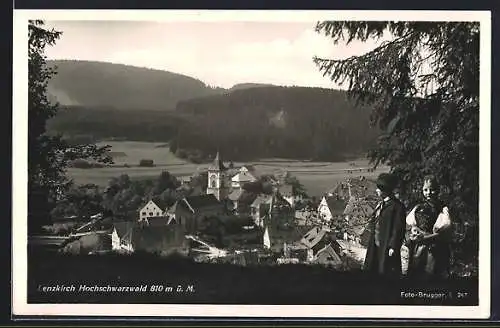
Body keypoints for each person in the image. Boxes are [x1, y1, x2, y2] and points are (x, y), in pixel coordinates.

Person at [405, 175, 452, 279]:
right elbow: (412, 225)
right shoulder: (419, 207)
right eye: (425, 190)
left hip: (435, 248)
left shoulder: (442, 209)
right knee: (417, 276)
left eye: (432, 190)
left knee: (433, 276)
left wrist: (425, 237)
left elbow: (443, 233)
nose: (428, 193)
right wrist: (413, 232)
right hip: (419, 249)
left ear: (438, 190)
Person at [363, 173, 407, 277]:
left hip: (387, 246)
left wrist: (393, 246)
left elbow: (398, 228)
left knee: (387, 271)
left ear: (385, 190)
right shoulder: (381, 205)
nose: (376, 190)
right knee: (373, 269)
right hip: (376, 244)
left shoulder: (397, 207)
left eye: (379, 188)